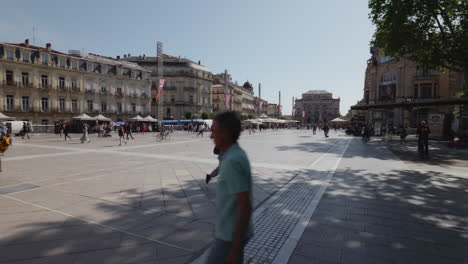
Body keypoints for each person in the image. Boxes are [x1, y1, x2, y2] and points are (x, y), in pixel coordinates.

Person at [206, 111, 253, 264]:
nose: (211, 136)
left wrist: (234, 248)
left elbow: (245, 205)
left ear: (225, 133)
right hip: (227, 233)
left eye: (214, 131)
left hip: (229, 238)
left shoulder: (231, 161)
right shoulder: (238, 153)